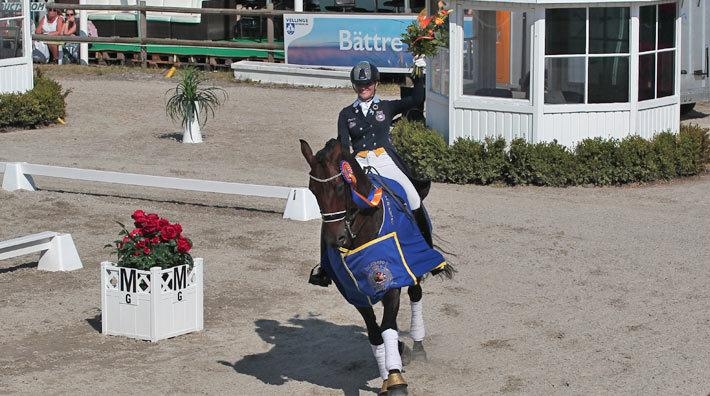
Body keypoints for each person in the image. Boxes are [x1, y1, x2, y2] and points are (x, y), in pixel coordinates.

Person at [309, 59, 431, 287]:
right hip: (358, 165)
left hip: (384, 160)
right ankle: (324, 267)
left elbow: (416, 100)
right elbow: (344, 147)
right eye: (359, 85)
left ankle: (427, 251)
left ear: (375, 84)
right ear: (355, 86)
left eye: (367, 84)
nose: (363, 88)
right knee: (334, 209)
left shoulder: (385, 107)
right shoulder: (346, 114)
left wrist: (419, 75)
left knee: (413, 198)